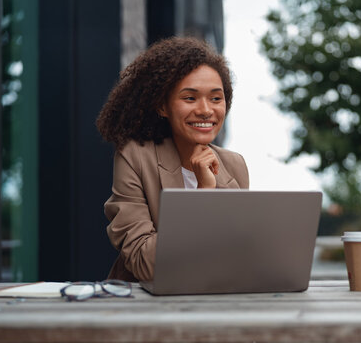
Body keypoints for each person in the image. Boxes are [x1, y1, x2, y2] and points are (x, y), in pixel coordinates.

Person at [96, 37, 249, 282]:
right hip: (146, 308)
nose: (206, 110)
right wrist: (203, 195)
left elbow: (234, 255)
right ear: (162, 106)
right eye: (190, 98)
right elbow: (145, 263)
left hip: (213, 299)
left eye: (216, 98)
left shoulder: (234, 165)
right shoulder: (135, 157)